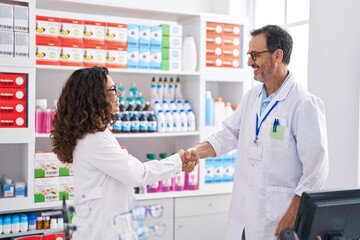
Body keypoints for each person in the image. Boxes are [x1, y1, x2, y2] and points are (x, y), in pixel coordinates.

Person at [185, 25, 329, 239]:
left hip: (278, 218)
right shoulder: (252, 97)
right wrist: (196, 152)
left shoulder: (304, 103)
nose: (249, 61)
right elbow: (229, 134)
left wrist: (293, 214)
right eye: (249, 55)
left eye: (255, 55)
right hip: (244, 216)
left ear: (277, 55)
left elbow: (316, 170)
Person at [51, 66, 198, 240]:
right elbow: (138, 174)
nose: (119, 94)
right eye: (113, 90)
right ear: (95, 97)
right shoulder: (94, 139)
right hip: (100, 232)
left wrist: (178, 165)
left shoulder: (95, 135)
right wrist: (178, 161)